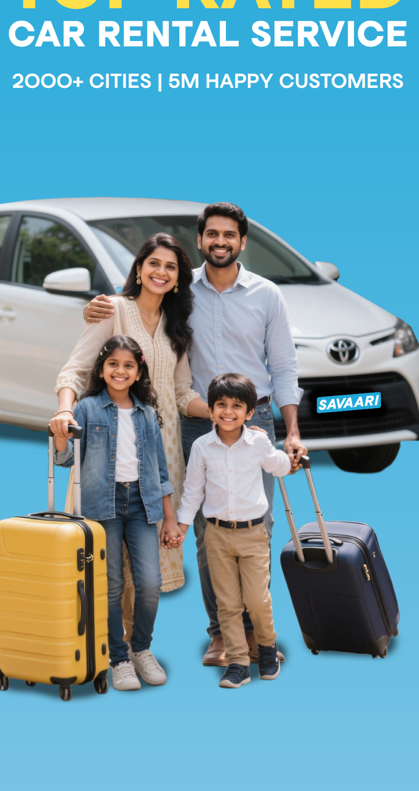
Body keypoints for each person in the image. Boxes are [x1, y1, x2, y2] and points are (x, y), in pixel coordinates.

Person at [82, 202, 307, 666]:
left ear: (242, 241)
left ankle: (255, 632)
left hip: (256, 421)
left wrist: (292, 431)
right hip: (197, 424)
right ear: (201, 240)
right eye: (212, 234)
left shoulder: (266, 294)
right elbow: (137, 311)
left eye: (230, 235)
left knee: (257, 527)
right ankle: (222, 632)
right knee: (208, 530)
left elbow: (285, 367)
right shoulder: (182, 293)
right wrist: (99, 307)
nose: (221, 242)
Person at [50, 233, 209, 617]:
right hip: (108, 450)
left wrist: (220, 412)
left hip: (161, 454)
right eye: (154, 263)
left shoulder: (176, 325)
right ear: (139, 268)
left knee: (145, 563)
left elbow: (181, 392)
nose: (161, 272)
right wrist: (65, 411)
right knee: (105, 558)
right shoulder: (113, 309)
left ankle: (135, 643)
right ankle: (105, 644)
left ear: (178, 277)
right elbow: (75, 369)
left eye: (170, 267)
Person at [54, 335, 181, 690]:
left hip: (142, 506)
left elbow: (160, 472)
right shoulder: (86, 409)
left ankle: (141, 648)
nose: (120, 371)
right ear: (101, 369)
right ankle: (119, 657)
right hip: (101, 508)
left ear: (139, 372)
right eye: (113, 364)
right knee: (110, 586)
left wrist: (170, 519)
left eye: (128, 365)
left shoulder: (147, 414)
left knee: (150, 584)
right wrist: (61, 434)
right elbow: (66, 460)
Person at [176, 373, 294, 688]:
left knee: (256, 599)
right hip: (216, 535)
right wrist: (182, 526)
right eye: (221, 405)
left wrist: (281, 452)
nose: (228, 412)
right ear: (211, 410)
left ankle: (266, 648)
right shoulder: (202, 447)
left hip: (253, 534)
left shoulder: (257, 442)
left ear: (249, 412)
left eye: (237, 406)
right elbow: (193, 492)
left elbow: (279, 466)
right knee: (227, 603)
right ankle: (238, 663)